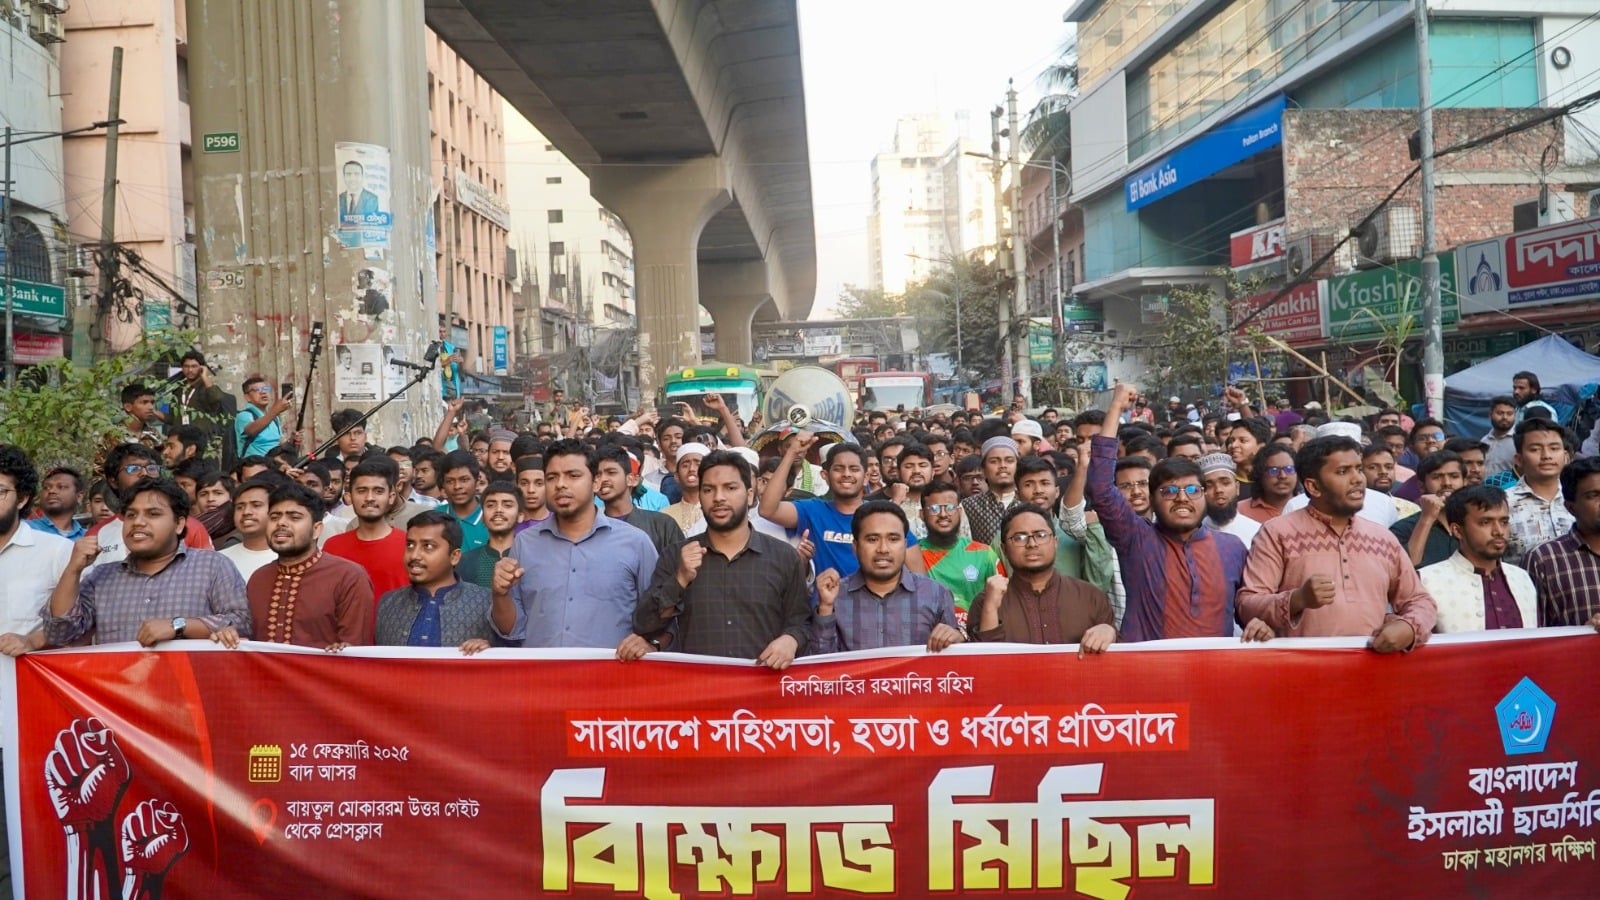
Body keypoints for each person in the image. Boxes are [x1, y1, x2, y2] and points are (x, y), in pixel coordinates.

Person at [1237, 436, 1437, 650]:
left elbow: (1421, 601)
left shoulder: (1382, 538)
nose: (1358, 479)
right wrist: (1297, 600)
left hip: (1373, 672)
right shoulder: (1277, 533)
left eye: (1358, 469)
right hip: (1301, 672)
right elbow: (1247, 604)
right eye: (1343, 472)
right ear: (1313, 486)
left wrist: (1408, 627)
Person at [1087, 384, 1248, 642]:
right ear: (1152, 499)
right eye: (1170, 490)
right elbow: (1100, 488)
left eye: (1192, 489)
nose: (1182, 498)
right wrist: (1116, 407)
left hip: (1217, 675)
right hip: (1149, 675)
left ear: (1204, 495)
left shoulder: (1233, 548)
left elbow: (1248, 608)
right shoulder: (1136, 539)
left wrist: (1264, 622)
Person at [625, 450, 810, 666]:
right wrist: (680, 579)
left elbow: (802, 623)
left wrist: (791, 640)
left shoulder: (784, 557)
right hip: (699, 690)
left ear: (750, 495)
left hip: (764, 691)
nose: (719, 498)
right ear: (700, 497)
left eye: (730, 488)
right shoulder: (677, 555)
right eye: (709, 489)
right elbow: (644, 624)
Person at [489, 440, 658, 648]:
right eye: (552, 477)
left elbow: (658, 620)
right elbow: (510, 629)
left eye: (573, 475)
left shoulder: (635, 542)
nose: (560, 484)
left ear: (596, 482)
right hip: (542, 676)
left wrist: (652, 645)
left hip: (611, 677)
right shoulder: (525, 543)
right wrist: (500, 593)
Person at [44, 479, 251, 647]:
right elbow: (60, 634)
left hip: (189, 695)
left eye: (153, 514)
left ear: (179, 524)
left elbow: (243, 623)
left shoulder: (212, 566)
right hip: (116, 695)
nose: (138, 522)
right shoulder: (101, 577)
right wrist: (73, 569)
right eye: (131, 515)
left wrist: (180, 626)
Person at [232, 483, 373, 649]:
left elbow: (355, 651)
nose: (281, 523)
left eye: (294, 517)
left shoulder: (349, 576)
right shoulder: (259, 578)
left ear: (316, 529)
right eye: (275, 517)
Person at [812, 501, 961, 653]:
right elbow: (819, 668)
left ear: (905, 545)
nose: (883, 549)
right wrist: (825, 609)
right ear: (855, 547)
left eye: (893, 539)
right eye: (872, 539)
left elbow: (955, 664)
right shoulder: (833, 597)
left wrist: (956, 639)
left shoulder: (936, 594)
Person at [761, 437, 911, 581]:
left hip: (871, 606)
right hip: (823, 605)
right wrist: (791, 453)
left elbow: (919, 580)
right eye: (839, 469)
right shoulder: (812, 510)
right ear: (825, 475)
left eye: (853, 469)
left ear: (865, 477)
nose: (846, 474)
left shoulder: (881, 516)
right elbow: (767, 510)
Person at [970, 504, 1116, 650]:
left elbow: (1118, 661)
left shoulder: (1091, 597)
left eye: (1040, 535)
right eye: (1019, 538)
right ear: (1004, 549)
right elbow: (983, 664)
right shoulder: (985, 602)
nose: (1032, 544)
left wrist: (1110, 632)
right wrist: (990, 609)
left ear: (1055, 542)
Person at [375, 510, 500, 650]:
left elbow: (509, 658)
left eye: (428, 546)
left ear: (454, 556)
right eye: (410, 545)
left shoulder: (486, 602)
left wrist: (490, 651)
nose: (414, 555)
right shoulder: (388, 603)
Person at [1419, 485, 1537, 632]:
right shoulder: (1427, 580)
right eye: (1485, 522)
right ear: (1457, 530)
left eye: (1504, 522)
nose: (1499, 531)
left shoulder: (1521, 578)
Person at [0, 445, 75, 655]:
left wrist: (33, 641)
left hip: (27, 681)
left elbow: (85, 621)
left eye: (0, 491)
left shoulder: (57, 551)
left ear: (22, 499)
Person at [89, 444, 213, 566]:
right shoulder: (97, 535)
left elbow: (208, 572)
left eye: (151, 468)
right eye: (133, 468)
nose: (144, 473)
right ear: (113, 481)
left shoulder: (188, 526)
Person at [1525, 456, 1600, 628]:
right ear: (1570, 507)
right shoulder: (1544, 559)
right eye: (1593, 495)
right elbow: (1532, 636)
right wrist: (1584, 635)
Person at [917, 481, 1002, 628]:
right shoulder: (913, 555)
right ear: (922, 514)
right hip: (929, 640)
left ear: (960, 512)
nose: (943, 515)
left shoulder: (983, 553)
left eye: (950, 508)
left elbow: (1002, 601)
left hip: (976, 640)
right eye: (935, 509)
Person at [323, 456, 410, 599]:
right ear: (350, 496)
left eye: (378, 491)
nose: (370, 498)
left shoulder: (408, 545)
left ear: (391, 496)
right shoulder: (333, 547)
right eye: (362, 490)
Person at [1503, 418, 1573, 566]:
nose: (1546, 456)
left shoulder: (1580, 498)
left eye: (1554, 448)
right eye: (1535, 449)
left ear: (1566, 456)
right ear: (1519, 459)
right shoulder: (1503, 504)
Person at [595, 445, 682, 554]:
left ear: (632, 480)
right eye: (597, 475)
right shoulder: (588, 528)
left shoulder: (662, 525)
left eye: (611, 472)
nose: (603, 479)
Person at [1390, 450, 1466, 568]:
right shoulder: (1404, 528)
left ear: (1465, 482)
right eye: (1437, 477)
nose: (1447, 483)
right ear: (1421, 486)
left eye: (1454, 476)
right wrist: (1427, 518)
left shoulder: (1476, 523)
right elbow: (1405, 568)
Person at [219, 474, 286, 579]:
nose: (246, 512)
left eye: (256, 505)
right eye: (240, 507)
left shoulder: (291, 558)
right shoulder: (219, 559)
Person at [456, 482, 522, 588]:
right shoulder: (465, 562)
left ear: (520, 516)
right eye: (491, 505)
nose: (498, 510)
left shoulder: (531, 559)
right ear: (482, 516)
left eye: (507, 505)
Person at [961, 437, 1021, 545]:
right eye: (994, 461)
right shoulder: (968, 506)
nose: (1003, 466)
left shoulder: (1029, 502)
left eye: (1009, 461)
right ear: (983, 469)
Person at [1198, 453, 1260, 548]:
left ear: (1237, 487)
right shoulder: (1194, 532)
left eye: (1225, 483)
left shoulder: (1257, 532)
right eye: (1209, 485)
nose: (1218, 490)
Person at [439, 450, 488, 551]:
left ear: (477, 481)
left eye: (464, 480)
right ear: (443, 485)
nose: (457, 486)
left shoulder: (490, 517)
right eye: (450, 481)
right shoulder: (435, 516)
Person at [235, 376, 295, 457]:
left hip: (274, 464)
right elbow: (251, 431)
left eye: (266, 389)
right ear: (247, 397)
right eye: (257, 390)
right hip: (254, 466)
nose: (263, 392)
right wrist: (275, 411)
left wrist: (292, 441)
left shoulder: (274, 418)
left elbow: (279, 443)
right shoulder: (244, 415)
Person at [1240, 444, 1296, 523]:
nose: (1283, 476)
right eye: (1274, 470)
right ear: (1260, 474)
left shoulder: (1308, 505)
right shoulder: (1241, 511)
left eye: (1289, 469)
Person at [662, 441, 710, 533]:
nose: (692, 469)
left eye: (698, 464)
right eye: (685, 465)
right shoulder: (665, 516)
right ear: (676, 476)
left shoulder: (720, 510)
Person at [29, 466, 87, 540]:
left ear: (79, 496)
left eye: (61, 487)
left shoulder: (87, 537)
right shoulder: (25, 529)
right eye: (46, 487)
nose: (51, 491)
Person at [1482, 395, 1518, 478]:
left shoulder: (1519, 441)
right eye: (1500, 413)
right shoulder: (1484, 441)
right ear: (1490, 414)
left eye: (1509, 414)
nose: (1505, 417)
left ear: (1515, 415)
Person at [514, 455, 548, 528]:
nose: (531, 490)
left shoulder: (561, 523)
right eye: (524, 483)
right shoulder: (507, 525)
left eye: (539, 484)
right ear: (516, 486)